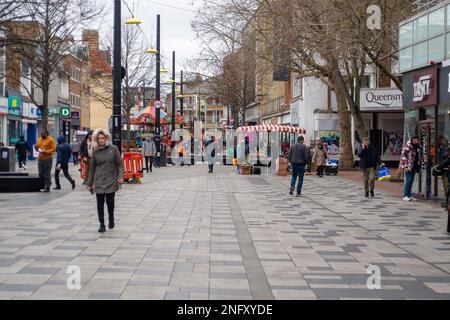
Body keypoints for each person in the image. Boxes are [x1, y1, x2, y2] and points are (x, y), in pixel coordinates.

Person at [87, 128, 123, 233]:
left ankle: (111, 218)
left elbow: (120, 164)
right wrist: (90, 183)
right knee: (100, 204)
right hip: (98, 181)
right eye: (99, 139)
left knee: (110, 204)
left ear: (106, 138)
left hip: (111, 180)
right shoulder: (95, 151)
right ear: (96, 140)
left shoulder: (114, 149)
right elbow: (92, 168)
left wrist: (120, 176)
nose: (101, 140)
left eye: (103, 138)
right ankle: (101, 224)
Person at [400, 136, 420, 201]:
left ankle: (409, 195)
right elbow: (403, 156)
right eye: (417, 140)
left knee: (411, 180)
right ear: (413, 140)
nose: (417, 141)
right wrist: (405, 166)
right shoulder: (408, 146)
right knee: (408, 180)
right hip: (408, 166)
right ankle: (405, 195)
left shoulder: (417, 146)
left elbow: (418, 156)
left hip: (414, 166)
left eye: (418, 140)